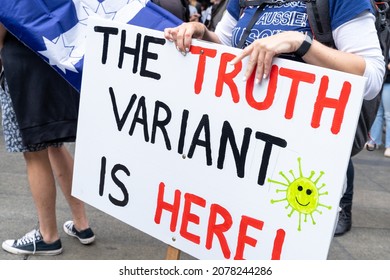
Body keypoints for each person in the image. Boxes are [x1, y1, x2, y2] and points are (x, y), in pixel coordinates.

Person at [164, 0, 385, 238]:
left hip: (301, 163)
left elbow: (372, 78)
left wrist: (300, 43)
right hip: (238, 152)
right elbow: (228, 47)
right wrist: (202, 34)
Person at [0, 23, 95, 255]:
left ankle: (48, 236)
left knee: (33, 152)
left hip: (22, 63)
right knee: (55, 145)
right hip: (54, 58)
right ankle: (82, 224)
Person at [366, 63, 390, 157]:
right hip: (380, 80)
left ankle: (389, 145)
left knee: (388, 115)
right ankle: (374, 140)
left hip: (387, 81)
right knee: (377, 112)